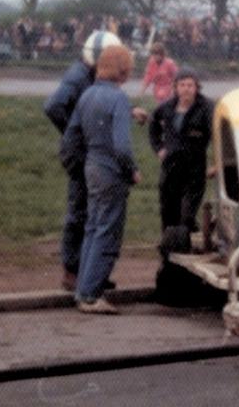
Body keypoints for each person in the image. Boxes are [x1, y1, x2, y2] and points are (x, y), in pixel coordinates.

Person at [62, 44, 142, 314]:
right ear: (122, 69)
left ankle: (83, 288)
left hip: (91, 167)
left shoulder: (87, 94)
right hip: (110, 171)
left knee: (93, 228)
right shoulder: (118, 98)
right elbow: (122, 146)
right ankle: (91, 294)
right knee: (107, 231)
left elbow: (73, 134)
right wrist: (132, 170)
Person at [44, 30, 125, 292]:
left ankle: (88, 271)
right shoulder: (78, 76)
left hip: (84, 151)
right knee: (80, 210)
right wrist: (77, 134)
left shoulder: (85, 74)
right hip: (80, 153)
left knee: (90, 211)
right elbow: (54, 106)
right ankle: (72, 271)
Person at [148, 67, 213, 233]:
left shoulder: (206, 108)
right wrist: (159, 148)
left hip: (194, 169)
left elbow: (218, 135)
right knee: (169, 214)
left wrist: (217, 164)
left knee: (186, 216)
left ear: (196, 87)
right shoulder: (166, 108)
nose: (186, 89)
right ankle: (169, 254)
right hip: (170, 167)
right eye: (182, 85)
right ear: (175, 87)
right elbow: (153, 125)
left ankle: (189, 239)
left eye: (190, 85)